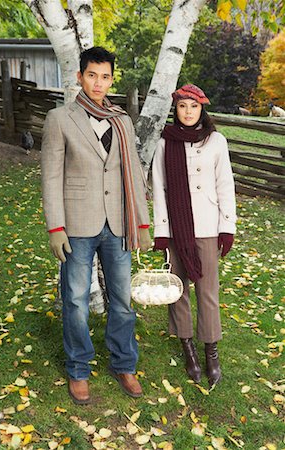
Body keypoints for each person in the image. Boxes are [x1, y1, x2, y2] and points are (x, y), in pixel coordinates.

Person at [41, 46, 151, 404]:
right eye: (92, 75)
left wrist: (143, 222)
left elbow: (132, 170)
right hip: (76, 222)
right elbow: (51, 176)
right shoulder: (60, 119)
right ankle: (78, 367)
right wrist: (55, 226)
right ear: (80, 77)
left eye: (105, 76)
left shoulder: (122, 119)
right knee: (74, 300)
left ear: (111, 79)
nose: (98, 83)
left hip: (118, 223)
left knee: (121, 300)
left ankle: (124, 363)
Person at [152, 84, 236, 387]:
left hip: (207, 226)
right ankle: (187, 346)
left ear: (202, 109)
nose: (188, 112)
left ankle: (210, 350)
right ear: (176, 109)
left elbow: (225, 185)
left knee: (208, 290)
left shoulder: (216, 141)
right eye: (183, 106)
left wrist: (227, 226)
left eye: (194, 106)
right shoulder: (164, 143)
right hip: (175, 227)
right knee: (178, 290)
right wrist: (161, 233)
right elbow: (159, 190)